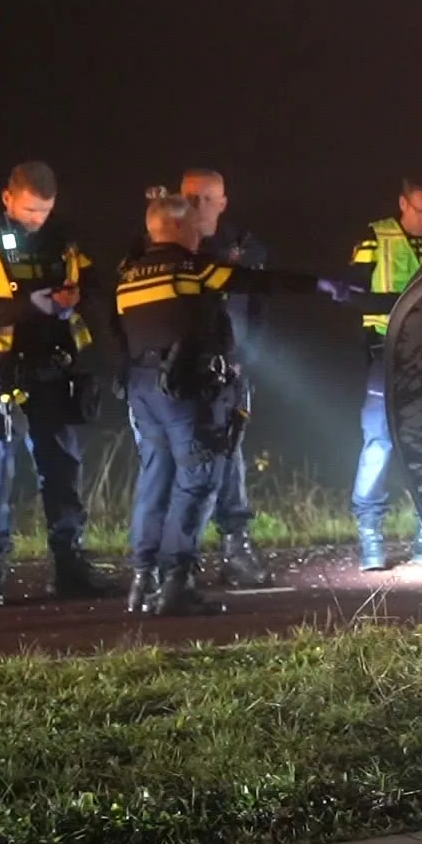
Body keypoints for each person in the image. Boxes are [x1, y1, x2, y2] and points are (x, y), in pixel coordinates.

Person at [117, 192, 350, 614]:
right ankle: (175, 583)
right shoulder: (192, 268)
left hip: (143, 389)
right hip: (186, 392)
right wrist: (319, 284)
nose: (198, 235)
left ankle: (141, 578)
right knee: (199, 479)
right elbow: (255, 281)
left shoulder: (129, 274)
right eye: (191, 227)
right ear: (175, 228)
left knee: (155, 480)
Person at [119, 170, 276, 588]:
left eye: (207, 199)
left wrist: (246, 361)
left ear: (223, 202)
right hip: (174, 379)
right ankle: (168, 571)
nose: (198, 206)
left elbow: (256, 310)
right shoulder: (157, 251)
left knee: (228, 462)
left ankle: (232, 548)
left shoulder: (243, 247)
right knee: (173, 470)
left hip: (228, 370)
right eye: (190, 198)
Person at [0, 161, 109, 601]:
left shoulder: (65, 240)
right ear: (7, 198)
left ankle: (70, 566)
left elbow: (95, 286)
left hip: (54, 370)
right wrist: (32, 306)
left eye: (43, 210)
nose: (35, 219)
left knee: (62, 470)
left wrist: (74, 299)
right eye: (27, 210)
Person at [347, 177, 422, 571]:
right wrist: (401, 303)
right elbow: (352, 292)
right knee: (380, 442)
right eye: (420, 211)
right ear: (403, 203)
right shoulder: (375, 239)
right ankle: (370, 534)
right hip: (385, 355)